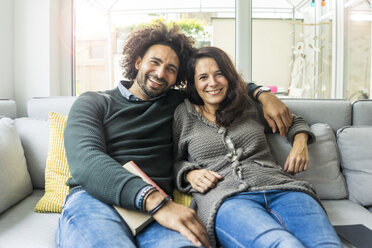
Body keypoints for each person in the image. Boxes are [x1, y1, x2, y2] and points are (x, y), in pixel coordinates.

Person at [56, 22, 294, 248]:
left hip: (156, 211)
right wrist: (154, 201)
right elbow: (85, 160)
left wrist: (263, 94)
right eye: (154, 62)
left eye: (171, 69)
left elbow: (223, 84)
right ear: (138, 61)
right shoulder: (95, 102)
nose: (160, 73)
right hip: (98, 199)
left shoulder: (179, 104)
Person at [173, 46, 343, 248]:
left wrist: (300, 142)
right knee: (285, 245)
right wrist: (188, 173)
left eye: (219, 74)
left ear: (229, 77)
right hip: (227, 198)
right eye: (203, 77)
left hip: (283, 189)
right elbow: (172, 160)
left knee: (327, 244)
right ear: (193, 83)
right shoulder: (183, 115)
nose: (212, 83)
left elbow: (293, 121)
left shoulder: (248, 106)